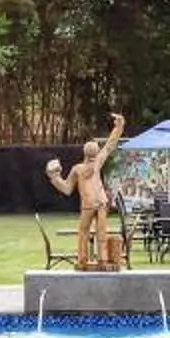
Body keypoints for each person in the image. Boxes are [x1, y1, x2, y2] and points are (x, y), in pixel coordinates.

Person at [45, 113, 127, 270]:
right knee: (101, 232)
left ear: (84, 153)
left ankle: (83, 259)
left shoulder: (78, 169)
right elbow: (110, 145)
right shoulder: (98, 162)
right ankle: (102, 259)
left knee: (83, 231)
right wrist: (119, 127)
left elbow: (67, 189)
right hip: (101, 202)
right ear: (95, 152)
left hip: (89, 203)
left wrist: (54, 177)